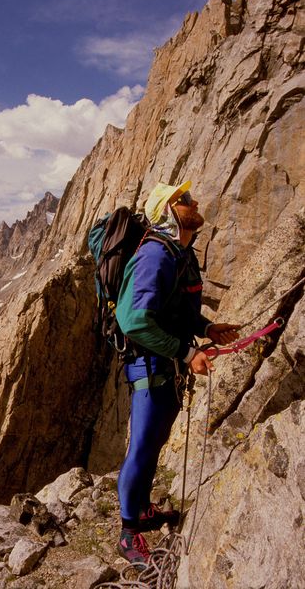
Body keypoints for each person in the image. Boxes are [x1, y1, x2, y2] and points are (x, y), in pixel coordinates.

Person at [115, 180, 240, 567]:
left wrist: (205, 329)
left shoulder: (180, 253)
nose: (194, 201)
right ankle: (127, 532)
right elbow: (133, 321)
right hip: (150, 366)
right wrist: (187, 353)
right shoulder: (156, 255)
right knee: (142, 447)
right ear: (168, 212)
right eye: (183, 200)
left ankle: (141, 509)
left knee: (152, 443)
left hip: (164, 364)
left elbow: (175, 309)